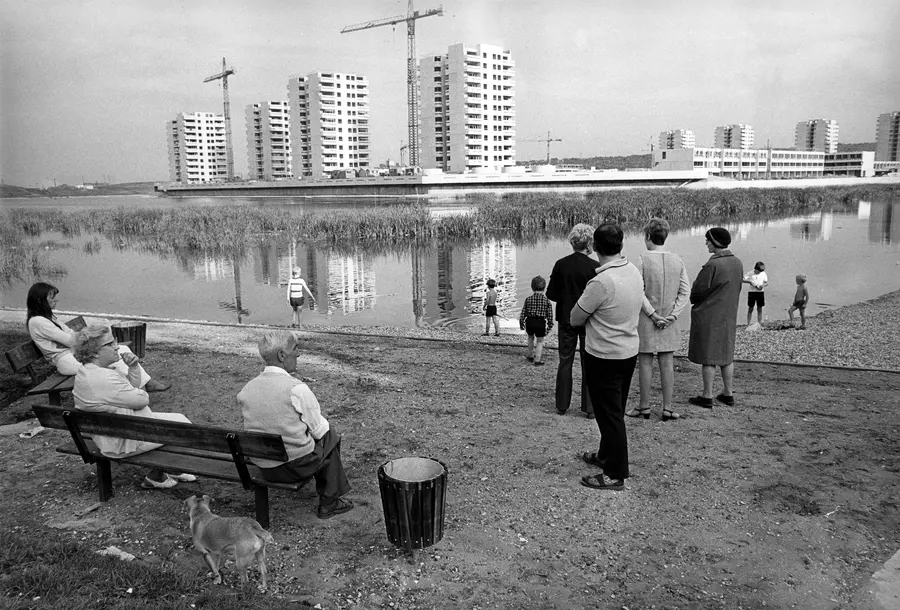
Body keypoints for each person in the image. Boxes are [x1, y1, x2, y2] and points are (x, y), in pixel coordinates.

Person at [237, 330, 353, 520]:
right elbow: (320, 430)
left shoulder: (247, 389)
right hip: (293, 468)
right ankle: (329, 502)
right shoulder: (296, 388)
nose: (298, 354)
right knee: (329, 435)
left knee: (317, 434)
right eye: (295, 348)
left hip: (265, 467)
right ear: (282, 355)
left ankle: (329, 493)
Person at [72, 325, 195, 489]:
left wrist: (134, 367)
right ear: (94, 352)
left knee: (180, 419)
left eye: (114, 341)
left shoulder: (90, 371)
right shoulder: (103, 378)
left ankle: (169, 468)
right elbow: (142, 399)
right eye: (109, 344)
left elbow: (129, 389)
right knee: (185, 429)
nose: (117, 346)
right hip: (122, 442)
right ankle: (156, 476)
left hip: (115, 431)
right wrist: (138, 393)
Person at [572, 224, 643, 491]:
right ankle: (605, 455)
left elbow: (575, 317)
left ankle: (616, 474)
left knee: (610, 415)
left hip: (604, 354)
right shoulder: (632, 271)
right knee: (613, 409)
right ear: (621, 245)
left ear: (594, 247)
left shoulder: (601, 282)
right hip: (628, 351)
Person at [25, 282, 169, 392]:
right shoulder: (38, 321)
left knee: (121, 348)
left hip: (72, 353)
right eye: (51, 297)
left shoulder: (49, 318)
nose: (56, 300)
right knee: (111, 359)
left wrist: (88, 337)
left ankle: (142, 383)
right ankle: (138, 388)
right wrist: (91, 338)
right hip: (65, 360)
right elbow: (70, 340)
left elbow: (70, 334)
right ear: (40, 300)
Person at [629, 218, 691, 422]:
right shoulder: (677, 259)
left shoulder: (642, 259)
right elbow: (685, 290)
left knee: (645, 363)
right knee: (667, 363)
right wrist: (674, 314)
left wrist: (652, 314)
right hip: (669, 319)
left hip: (648, 319)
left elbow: (639, 291)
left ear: (648, 237)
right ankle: (667, 408)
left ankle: (644, 407)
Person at [546, 223, 599, 417]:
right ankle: (590, 407)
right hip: (588, 320)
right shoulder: (595, 267)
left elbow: (551, 294)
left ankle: (562, 404)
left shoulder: (561, 264)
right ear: (589, 244)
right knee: (590, 363)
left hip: (566, 318)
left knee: (565, 360)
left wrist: (566, 295)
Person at [687, 227, 743, 409]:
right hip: (729, 314)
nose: (706, 243)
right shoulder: (737, 262)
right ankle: (728, 393)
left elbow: (697, 292)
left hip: (710, 315)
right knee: (727, 355)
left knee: (709, 357)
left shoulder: (712, 265)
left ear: (715, 242)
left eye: (707, 240)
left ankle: (707, 395)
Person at [518, 275, 554, 366]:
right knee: (540, 341)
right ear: (544, 288)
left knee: (530, 338)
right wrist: (550, 326)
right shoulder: (547, 301)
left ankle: (530, 355)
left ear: (532, 287)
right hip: (540, 322)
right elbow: (550, 315)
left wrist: (521, 323)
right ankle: (537, 360)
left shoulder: (528, 299)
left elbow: (523, 312)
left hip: (529, 321)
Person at [743, 261, 768, 327]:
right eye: (758, 271)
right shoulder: (750, 273)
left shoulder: (763, 274)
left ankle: (759, 323)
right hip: (752, 292)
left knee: (759, 308)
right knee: (750, 308)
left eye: (760, 271)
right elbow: (742, 279)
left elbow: (766, 283)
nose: (759, 272)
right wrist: (749, 281)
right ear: (755, 269)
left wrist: (762, 285)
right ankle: (748, 323)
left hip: (760, 292)